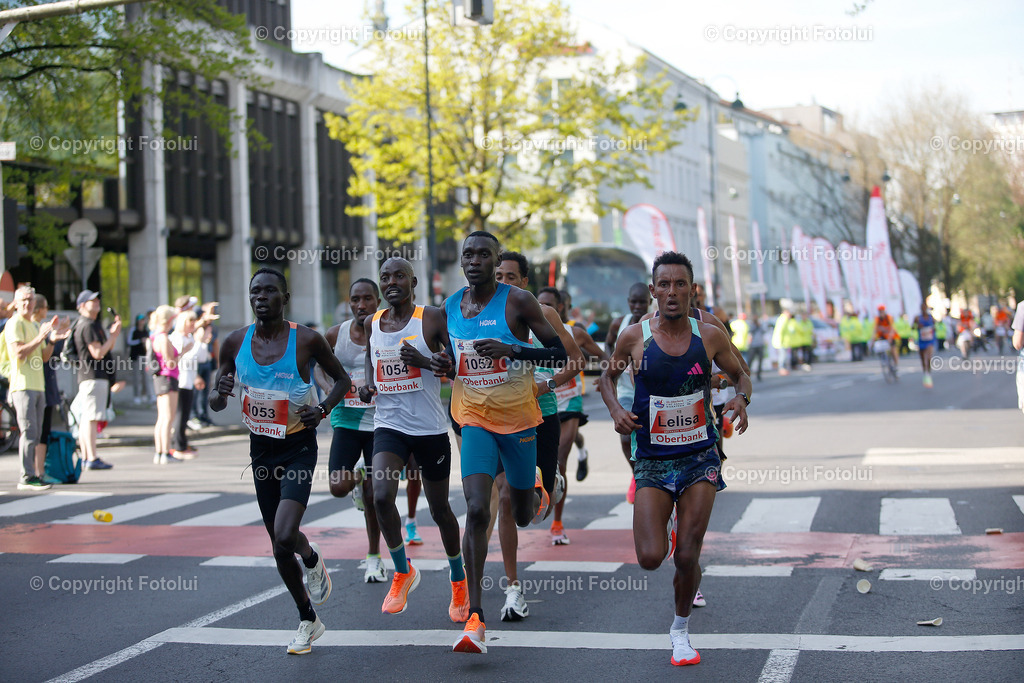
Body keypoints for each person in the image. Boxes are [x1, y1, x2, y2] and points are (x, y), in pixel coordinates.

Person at [599, 251, 750, 667]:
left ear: (691, 290)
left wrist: (741, 398)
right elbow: (607, 377)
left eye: (679, 284)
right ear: (653, 291)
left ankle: (680, 631)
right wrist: (615, 410)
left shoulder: (710, 335)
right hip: (652, 457)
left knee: (686, 556)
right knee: (650, 558)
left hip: (700, 456)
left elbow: (741, 373)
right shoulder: (634, 337)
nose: (671, 292)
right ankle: (664, 521)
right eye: (663, 284)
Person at [432, 231, 567, 654]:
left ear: (495, 261)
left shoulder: (519, 302)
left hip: (520, 421)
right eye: (468, 254)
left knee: (522, 514)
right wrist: (443, 363)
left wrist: (513, 349)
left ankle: (541, 484)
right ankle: (475, 617)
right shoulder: (448, 308)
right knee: (477, 508)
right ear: (461, 262)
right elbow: (453, 361)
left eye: (483, 254)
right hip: (473, 419)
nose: (474, 261)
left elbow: (559, 354)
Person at [210, 267, 351, 655]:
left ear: (284, 298)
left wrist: (322, 410)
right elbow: (216, 400)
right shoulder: (234, 342)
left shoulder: (306, 340)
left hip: (298, 447)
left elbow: (342, 381)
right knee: (278, 545)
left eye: (270, 291)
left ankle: (310, 556)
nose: (261, 297)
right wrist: (220, 393)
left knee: (285, 534)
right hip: (261, 450)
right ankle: (308, 618)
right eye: (255, 291)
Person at [358, 257, 468, 621]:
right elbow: (370, 357)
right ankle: (403, 571)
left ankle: (458, 579)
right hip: (389, 425)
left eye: (399, 276)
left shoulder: (431, 318)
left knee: (439, 510)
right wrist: (369, 384)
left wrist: (422, 360)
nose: (391, 282)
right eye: (385, 277)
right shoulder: (374, 322)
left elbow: (455, 365)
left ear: (413, 282)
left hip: (430, 429)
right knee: (379, 495)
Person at [494, 251, 581, 619]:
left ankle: (551, 480)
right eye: (498, 276)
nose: (503, 283)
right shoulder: (480, 316)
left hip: (540, 414)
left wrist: (548, 384)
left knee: (527, 513)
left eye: (511, 277)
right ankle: (513, 589)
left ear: (525, 282)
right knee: (503, 498)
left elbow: (575, 360)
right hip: (497, 417)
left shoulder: (544, 315)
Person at [322, 278, 386, 583]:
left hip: (380, 422)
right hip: (347, 420)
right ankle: (358, 477)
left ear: (378, 301)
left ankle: (374, 557)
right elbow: (317, 365)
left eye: (368, 299)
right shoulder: (336, 334)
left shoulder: (388, 331)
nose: (361, 305)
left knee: (375, 497)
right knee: (338, 487)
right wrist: (329, 390)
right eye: (355, 300)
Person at [537, 286, 607, 546]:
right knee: (558, 447)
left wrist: (608, 376)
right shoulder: (527, 329)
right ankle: (581, 445)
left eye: (548, 304)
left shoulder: (575, 333)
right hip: (544, 402)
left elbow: (604, 357)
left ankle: (557, 523)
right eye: (538, 303)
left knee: (560, 459)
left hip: (569, 399)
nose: (541, 309)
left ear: (560, 307)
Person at [6, 286, 70, 489]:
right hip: (22, 385)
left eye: (30, 300)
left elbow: (44, 357)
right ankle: (26, 476)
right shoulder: (15, 322)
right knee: (28, 431)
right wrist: (41, 337)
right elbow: (18, 353)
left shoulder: (34, 325)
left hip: (38, 386)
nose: (27, 303)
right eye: (23, 300)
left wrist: (52, 340)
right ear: (16, 303)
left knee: (36, 433)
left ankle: (33, 473)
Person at [606, 283, 653, 502]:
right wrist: (610, 368)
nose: (637, 306)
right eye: (633, 302)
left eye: (642, 302)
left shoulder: (653, 324)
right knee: (626, 435)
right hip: (626, 390)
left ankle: (650, 476)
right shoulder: (619, 324)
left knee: (648, 436)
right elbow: (608, 345)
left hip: (650, 392)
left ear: (649, 302)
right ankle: (638, 476)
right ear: (628, 302)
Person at [73, 290, 123, 470]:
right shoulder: (88, 325)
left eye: (96, 300)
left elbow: (105, 349)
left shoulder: (91, 324)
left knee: (88, 418)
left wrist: (112, 335)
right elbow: (98, 353)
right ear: (81, 305)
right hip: (93, 376)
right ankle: (91, 457)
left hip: (91, 377)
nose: (96, 303)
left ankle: (88, 457)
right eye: (91, 301)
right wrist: (113, 336)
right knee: (91, 418)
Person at [32, 294, 68, 485]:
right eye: (45, 307)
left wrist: (59, 334)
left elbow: (54, 354)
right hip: (38, 384)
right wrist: (52, 337)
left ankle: (40, 470)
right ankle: (36, 471)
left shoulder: (40, 328)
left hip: (46, 383)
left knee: (43, 429)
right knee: (37, 430)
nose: (47, 310)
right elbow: (45, 357)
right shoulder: (34, 329)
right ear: (39, 309)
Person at [150, 305, 183, 464]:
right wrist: (183, 352)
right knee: (168, 417)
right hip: (168, 377)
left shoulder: (155, 336)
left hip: (160, 378)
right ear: (169, 320)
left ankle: (160, 452)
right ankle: (165, 452)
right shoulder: (163, 337)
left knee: (162, 417)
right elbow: (170, 362)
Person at [170, 310, 202, 459]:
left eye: (194, 321)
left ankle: (182, 443)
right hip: (180, 380)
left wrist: (201, 342)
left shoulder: (189, 337)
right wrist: (197, 344)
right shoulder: (176, 338)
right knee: (180, 415)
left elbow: (200, 358)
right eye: (190, 321)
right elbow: (183, 360)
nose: (193, 324)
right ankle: (178, 446)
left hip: (188, 380)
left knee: (185, 415)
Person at [127, 314, 151, 405]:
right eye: (140, 320)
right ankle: (136, 396)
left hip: (144, 356)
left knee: (145, 377)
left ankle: (145, 394)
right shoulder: (134, 330)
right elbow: (129, 342)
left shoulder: (145, 330)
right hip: (135, 357)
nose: (142, 322)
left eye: (143, 320)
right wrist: (139, 341)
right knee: (136, 377)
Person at [913, 304, 937, 388]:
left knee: (929, 357)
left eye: (925, 308)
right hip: (921, 340)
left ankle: (928, 372)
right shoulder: (917, 318)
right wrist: (917, 326)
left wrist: (933, 328)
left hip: (929, 340)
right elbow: (913, 327)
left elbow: (935, 326)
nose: (923, 309)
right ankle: (925, 372)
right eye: (922, 308)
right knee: (923, 358)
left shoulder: (931, 317)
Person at [873, 305, 899, 370]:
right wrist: (873, 340)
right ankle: (884, 360)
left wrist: (890, 337)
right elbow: (875, 330)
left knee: (893, 350)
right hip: (882, 336)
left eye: (882, 311)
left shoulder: (888, 317)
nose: (881, 313)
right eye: (880, 312)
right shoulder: (877, 319)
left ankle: (896, 364)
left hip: (890, 336)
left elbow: (892, 328)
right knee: (879, 347)